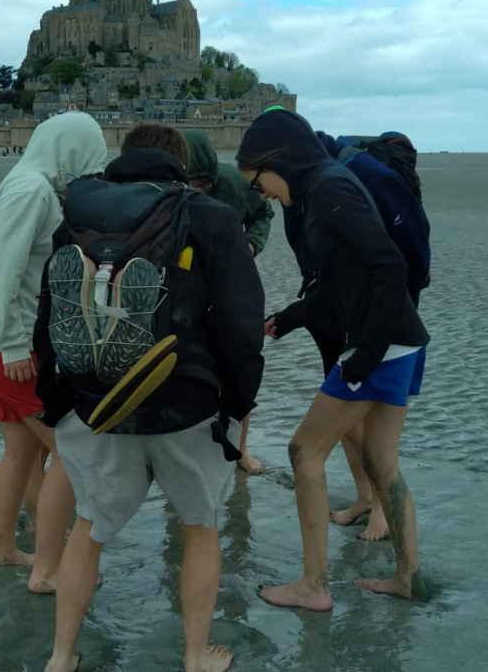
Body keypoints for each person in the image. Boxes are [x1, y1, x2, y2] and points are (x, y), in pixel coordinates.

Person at [36, 123, 264, 672]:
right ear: (181, 164)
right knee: (200, 528)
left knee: (87, 529)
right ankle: (194, 663)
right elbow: (241, 322)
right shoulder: (207, 215)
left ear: (123, 158)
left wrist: (58, 403)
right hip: (187, 404)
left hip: (97, 402)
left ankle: (60, 660)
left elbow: (49, 315)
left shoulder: (76, 216)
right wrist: (236, 406)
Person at [237, 109, 430, 611]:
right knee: (381, 460)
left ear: (279, 160)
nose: (262, 194)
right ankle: (407, 576)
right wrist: (293, 315)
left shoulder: (328, 191)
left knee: (304, 452)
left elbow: (388, 265)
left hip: (379, 344)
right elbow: (345, 279)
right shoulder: (322, 188)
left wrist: (365, 356)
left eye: (258, 182)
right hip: (403, 338)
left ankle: (313, 586)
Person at [0, 112, 109, 587]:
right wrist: (13, 345)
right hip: (3, 348)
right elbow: (2, 267)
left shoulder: (23, 181)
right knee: (71, 454)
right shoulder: (32, 191)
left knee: (21, 454)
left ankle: (3, 547)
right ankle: (49, 568)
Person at [311, 130, 432, 541]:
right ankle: (366, 499)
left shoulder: (372, 182)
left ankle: (381, 510)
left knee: (375, 425)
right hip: (351, 315)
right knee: (349, 420)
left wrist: (391, 314)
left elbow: (410, 265)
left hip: (384, 323)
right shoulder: (337, 180)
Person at [184, 128, 274, 474]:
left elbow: (264, 214)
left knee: (242, 370)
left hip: (235, 286)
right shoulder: (166, 190)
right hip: (187, 289)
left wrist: (251, 245)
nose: (197, 190)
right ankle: (190, 451)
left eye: (203, 183)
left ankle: (240, 450)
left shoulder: (236, 183)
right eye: (190, 182)